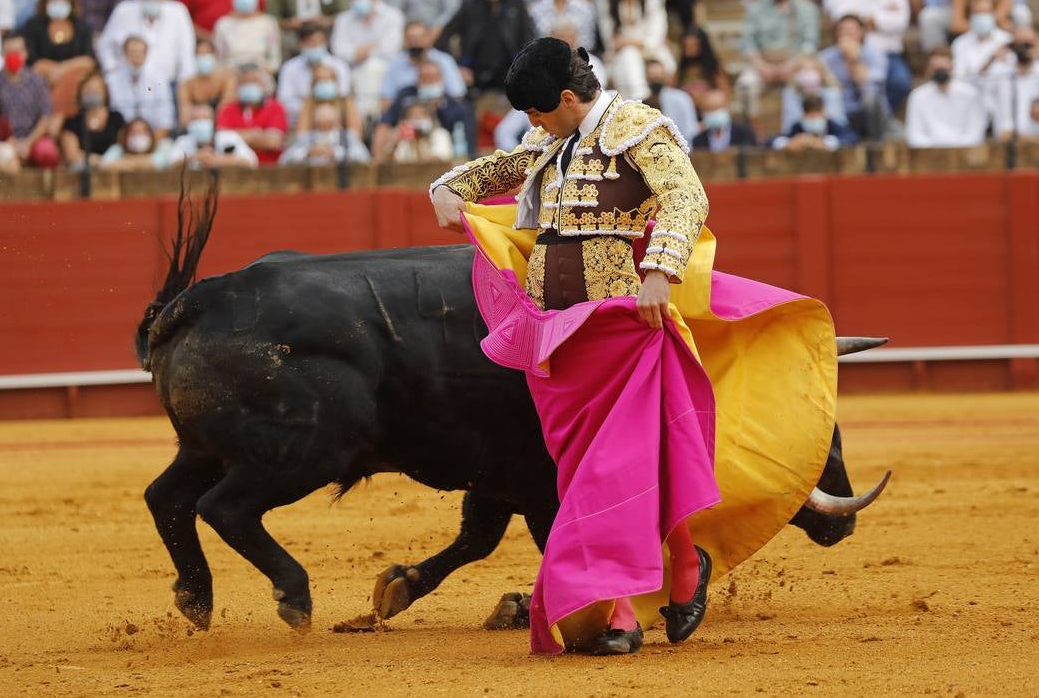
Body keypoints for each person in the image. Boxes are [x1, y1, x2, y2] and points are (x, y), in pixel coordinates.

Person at [426, 37, 716, 657]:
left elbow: (687, 197)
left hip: (618, 325)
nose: (531, 124)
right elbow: (496, 169)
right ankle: (673, 566)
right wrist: (447, 188)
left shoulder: (638, 129)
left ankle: (637, 599)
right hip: (551, 329)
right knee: (578, 469)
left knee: (615, 467)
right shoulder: (548, 140)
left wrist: (660, 271)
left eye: (536, 112)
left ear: (564, 97)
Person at [734, 0, 821, 122]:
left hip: (795, 64)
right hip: (763, 64)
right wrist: (761, 66)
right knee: (745, 86)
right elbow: (747, 42)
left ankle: (804, 126)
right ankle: (754, 134)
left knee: (810, 80)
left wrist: (791, 65)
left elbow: (810, 44)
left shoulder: (806, 9)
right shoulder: (756, 9)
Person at [439, 0, 536, 94]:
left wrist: (523, 67)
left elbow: (528, 35)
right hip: (475, 71)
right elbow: (445, 35)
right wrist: (457, 67)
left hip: (510, 68)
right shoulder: (471, 1)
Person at [0, 31, 59, 166]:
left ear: (25, 53)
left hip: (33, 137)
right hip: (4, 140)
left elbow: (46, 115)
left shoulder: (37, 80)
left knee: (47, 153)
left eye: (17, 51)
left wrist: (28, 142)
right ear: (2, 54)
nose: (14, 56)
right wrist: (10, 142)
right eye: (9, 52)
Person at [818, 14, 889, 137]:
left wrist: (854, 59)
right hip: (838, 109)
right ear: (836, 34)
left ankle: (876, 146)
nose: (847, 34)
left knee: (870, 100)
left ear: (861, 32)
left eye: (852, 30)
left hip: (867, 113)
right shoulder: (826, 57)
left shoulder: (875, 54)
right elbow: (826, 84)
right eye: (843, 30)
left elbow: (868, 87)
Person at [904, 48, 989, 147]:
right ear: (928, 70)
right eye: (936, 69)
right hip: (929, 154)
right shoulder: (917, 96)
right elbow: (915, 134)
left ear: (952, 68)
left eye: (944, 69)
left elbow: (976, 131)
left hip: (964, 152)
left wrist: (956, 149)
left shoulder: (970, 94)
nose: (940, 72)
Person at [20, 0, 94, 86]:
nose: (59, 3)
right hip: (42, 80)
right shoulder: (33, 26)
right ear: (45, 3)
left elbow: (88, 60)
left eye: (63, 0)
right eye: (54, 0)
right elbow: (31, 61)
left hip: (76, 81)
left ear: (71, 3)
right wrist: (52, 71)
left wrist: (61, 70)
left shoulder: (82, 26)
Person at [104, 35, 177, 137]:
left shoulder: (159, 79)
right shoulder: (110, 81)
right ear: (124, 55)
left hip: (154, 138)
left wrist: (150, 143)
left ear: (146, 55)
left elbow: (166, 119)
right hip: (120, 139)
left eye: (140, 54)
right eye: (132, 53)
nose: (136, 59)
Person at [216, 65, 289, 163]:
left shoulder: (276, 107)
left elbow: (273, 142)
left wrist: (237, 137)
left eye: (254, 81)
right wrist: (257, 134)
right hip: (235, 168)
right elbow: (223, 142)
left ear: (264, 85)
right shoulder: (227, 110)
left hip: (271, 168)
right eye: (245, 82)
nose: (249, 86)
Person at [215, 0, 281, 73]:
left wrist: (257, 70)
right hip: (231, 77)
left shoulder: (269, 23)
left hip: (261, 75)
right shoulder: (223, 24)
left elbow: (275, 62)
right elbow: (218, 62)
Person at [60, 71, 126, 168]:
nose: (92, 92)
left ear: (105, 93)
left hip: (114, 170)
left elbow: (124, 147)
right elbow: (72, 155)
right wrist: (102, 162)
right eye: (88, 89)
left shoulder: (116, 119)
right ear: (81, 92)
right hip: (83, 170)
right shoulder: (72, 122)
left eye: (96, 89)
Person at [279, 99, 371, 166]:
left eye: (329, 125)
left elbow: (364, 158)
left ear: (337, 123)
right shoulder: (307, 138)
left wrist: (335, 153)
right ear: (315, 124)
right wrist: (307, 153)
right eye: (322, 126)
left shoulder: (348, 137)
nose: (325, 130)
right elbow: (283, 160)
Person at [168, 102, 260, 168]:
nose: (200, 123)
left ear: (213, 122)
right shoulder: (183, 141)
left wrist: (218, 161)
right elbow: (169, 165)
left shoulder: (229, 137)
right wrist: (194, 157)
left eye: (204, 119)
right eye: (195, 119)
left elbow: (251, 161)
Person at [770, 93, 859, 151]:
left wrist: (824, 143)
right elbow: (770, 141)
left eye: (817, 115)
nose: (814, 119)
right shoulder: (797, 127)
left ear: (824, 114)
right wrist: (787, 144)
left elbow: (852, 138)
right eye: (811, 116)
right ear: (803, 116)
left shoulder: (832, 125)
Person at [641, 59, 700, 142]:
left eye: (658, 76)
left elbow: (690, 130)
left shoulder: (680, 99)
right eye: (652, 77)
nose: (655, 80)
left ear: (665, 76)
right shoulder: (641, 103)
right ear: (646, 78)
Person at [178, 39, 235, 125]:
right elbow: (184, 117)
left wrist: (206, 115)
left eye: (206, 54)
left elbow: (226, 110)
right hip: (195, 126)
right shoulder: (187, 84)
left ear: (215, 56)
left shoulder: (226, 79)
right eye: (199, 55)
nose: (203, 58)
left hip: (221, 125)